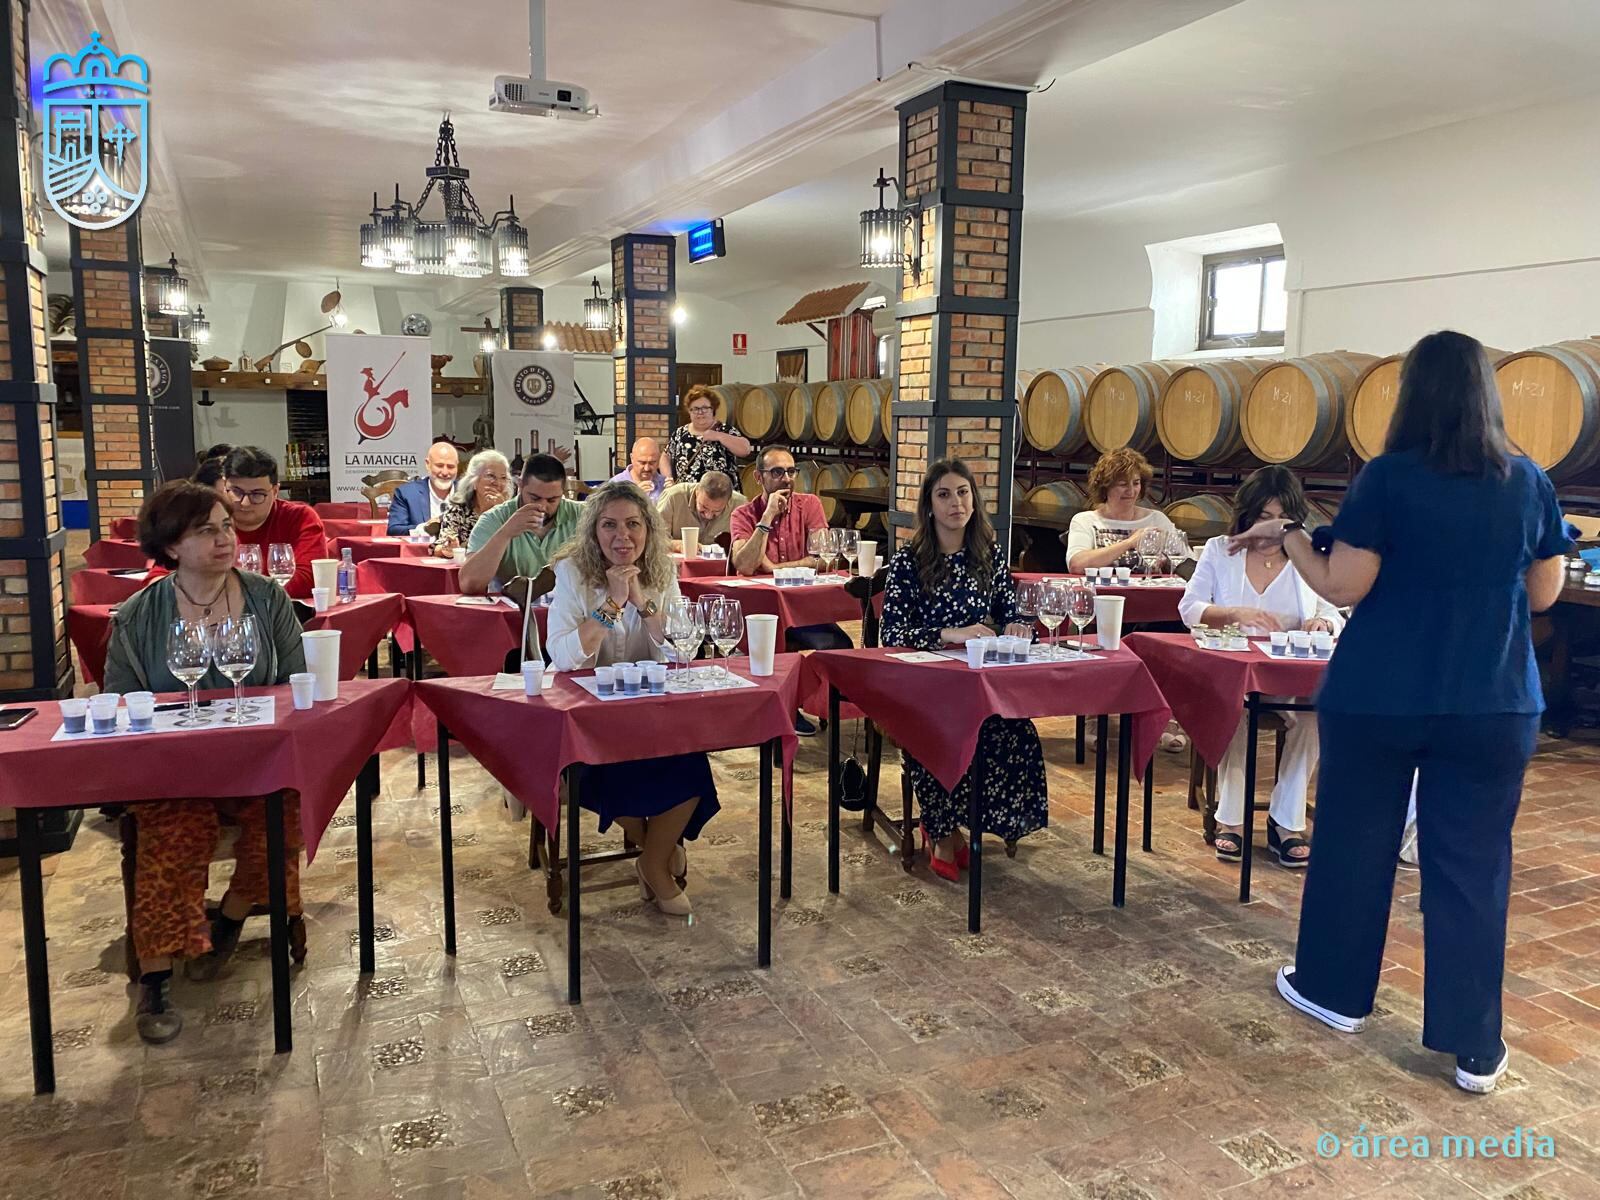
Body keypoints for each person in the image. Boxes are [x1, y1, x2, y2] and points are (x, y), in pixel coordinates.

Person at [1230, 331, 1569, 1095]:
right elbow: (1545, 594)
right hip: (1491, 699)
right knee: (1471, 868)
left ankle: (1334, 992)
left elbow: (1344, 583)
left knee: (1356, 845)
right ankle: (1475, 1046)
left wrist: (1291, 539)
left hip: (1382, 694)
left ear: (1412, 393)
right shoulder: (1528, 481)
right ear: (1488, 394)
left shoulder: (1388, 478)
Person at [103, 481, 308, 1044]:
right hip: (173, 769)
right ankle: (156, 977)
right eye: (205, 531)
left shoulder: (269, 599)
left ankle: (232, 917)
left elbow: (294, 686)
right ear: (170, 547)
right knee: (174, 827)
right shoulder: (139, 615)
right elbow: (124, 703)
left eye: (225, 526)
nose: (224, 539)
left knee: (286, 810)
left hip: (253, 761)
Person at [546, 481, 716, 916]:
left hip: (646, 708)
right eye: (609, 526)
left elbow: (683, 651)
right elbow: (562, 656)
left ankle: (651, 856)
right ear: (593, 533)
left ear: (648, 530)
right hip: (587, 715)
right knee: (607, 767)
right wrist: (611, 607)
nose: (622, 536)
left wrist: (641, 601)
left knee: (690, 763)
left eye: (633, 525)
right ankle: (657, 862)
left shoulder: (662, 570)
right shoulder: (572, 573)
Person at [881, 459, 1047, 878]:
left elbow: (1016, 613)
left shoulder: (988, 555)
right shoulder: (909, 561)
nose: (955, 502)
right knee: (936, 731)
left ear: (974, 500)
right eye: (944, 494)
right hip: (926, 683)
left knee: (1014, 730)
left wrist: (1018, 625)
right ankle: (939, 830)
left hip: (980, 682)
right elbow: (892, 632)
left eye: (962, 493)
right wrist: (949, 634)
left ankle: (969, 826)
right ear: (929, 506)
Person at [1178, 466, 1344, 866]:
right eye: (1262, 517)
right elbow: (1189, 609)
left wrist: (1324, 622)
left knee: (1313, 716)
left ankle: (1285, 821)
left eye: (1281, 519)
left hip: (1288, 673)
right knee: (1235, 712)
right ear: (1247, 517)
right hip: (1233, 673)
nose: (1271, 529)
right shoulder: (1221, 549)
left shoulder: (1309, 556)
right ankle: (1230, 819)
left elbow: (1335, 608)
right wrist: (1230, 612)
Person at [730, 446, 848, 734]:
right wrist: (766, 519)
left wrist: (774, 569)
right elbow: (745, 565)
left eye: (791, 471)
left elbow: (823, 556)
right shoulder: (744, 514)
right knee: (773, 645)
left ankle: (821, 705)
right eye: (777, 472)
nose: (786, 479)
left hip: (805, 612)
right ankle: (783, 709)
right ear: (759, 477)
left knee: (841, 646)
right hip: (759, 616)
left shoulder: (810, 505)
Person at [461, 453, 583, 594]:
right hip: (513, 612)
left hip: (572, 610)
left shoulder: (583, 516)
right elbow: (468, 584)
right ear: (519, 485)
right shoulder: (494, 519)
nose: (542, 506)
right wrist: (505, 533)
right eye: (535, 498)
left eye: (552, 500)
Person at [222, 446, 326, 598]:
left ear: (275, 491)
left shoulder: (299, 518)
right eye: (237, 492)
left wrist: (243, 595)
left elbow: (309, 578)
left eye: (257, 494)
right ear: (224, 487)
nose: (245, 503)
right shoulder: (207, 520)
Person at [1065, 448, 1181, 572]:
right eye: (1123, 484)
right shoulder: (1085, 520)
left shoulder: (1157, 519)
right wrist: (1129, 542)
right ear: (1105, 487)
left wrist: (1167, 560)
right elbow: (1076, 565)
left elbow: (1187, 563)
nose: (1131, 491)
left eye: (1136, 483)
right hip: (1101, 591)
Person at [666, 385, 752, 484]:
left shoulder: (725, 430)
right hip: (688, 496)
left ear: (713, 409)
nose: (700, 412)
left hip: (722, 495)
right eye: (695, 409)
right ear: (689, 412)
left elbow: (745, 450)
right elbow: (666, 456)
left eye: (705, 408)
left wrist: (718, 436)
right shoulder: (680, 433)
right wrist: (668, 477)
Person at [434, 449, 511, 557]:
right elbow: (440, 547)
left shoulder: (512, 510)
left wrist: (500, 511)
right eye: (490, 476)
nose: (498, 483)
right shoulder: (458, 510)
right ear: (474, 481)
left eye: (503, 478)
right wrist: (449, 548)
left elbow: (515, 548)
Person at [386, 438, 461, 535]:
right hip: (421, 549)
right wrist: (425, 528)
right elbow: (394, 530)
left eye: (451, 467)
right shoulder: (406, 493)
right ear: (428, 464)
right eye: (439, 466)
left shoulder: (469, 493)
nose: (445, 472)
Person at [657, 471, 744, 553]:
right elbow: (654, 539)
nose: (708, 515)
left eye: (717, 511)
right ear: (697, 492)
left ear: (728, 501)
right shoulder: (673, 497)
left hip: (721, 566)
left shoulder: (740, 504)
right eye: (704, 507)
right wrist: (677, 545)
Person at [610, 436, 667, 501]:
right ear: (632, 458)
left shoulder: (664, 484)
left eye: (652, 463)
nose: (647, 468)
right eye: (642, 463)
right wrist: (635, 497)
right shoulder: (615, 485)